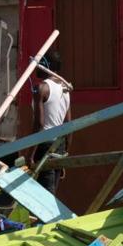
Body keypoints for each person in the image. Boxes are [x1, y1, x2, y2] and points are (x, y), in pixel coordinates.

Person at [31, 60, 72, 195]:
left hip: (44, 146)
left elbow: (39, 124)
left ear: (46, 66)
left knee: (45, 197)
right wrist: (64, 155)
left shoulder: (42, 88)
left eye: (39, 63)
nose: (35, 67)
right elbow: (68, 125)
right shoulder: (65, 88)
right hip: (58, 146)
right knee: (50, 195)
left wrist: (30, 155)